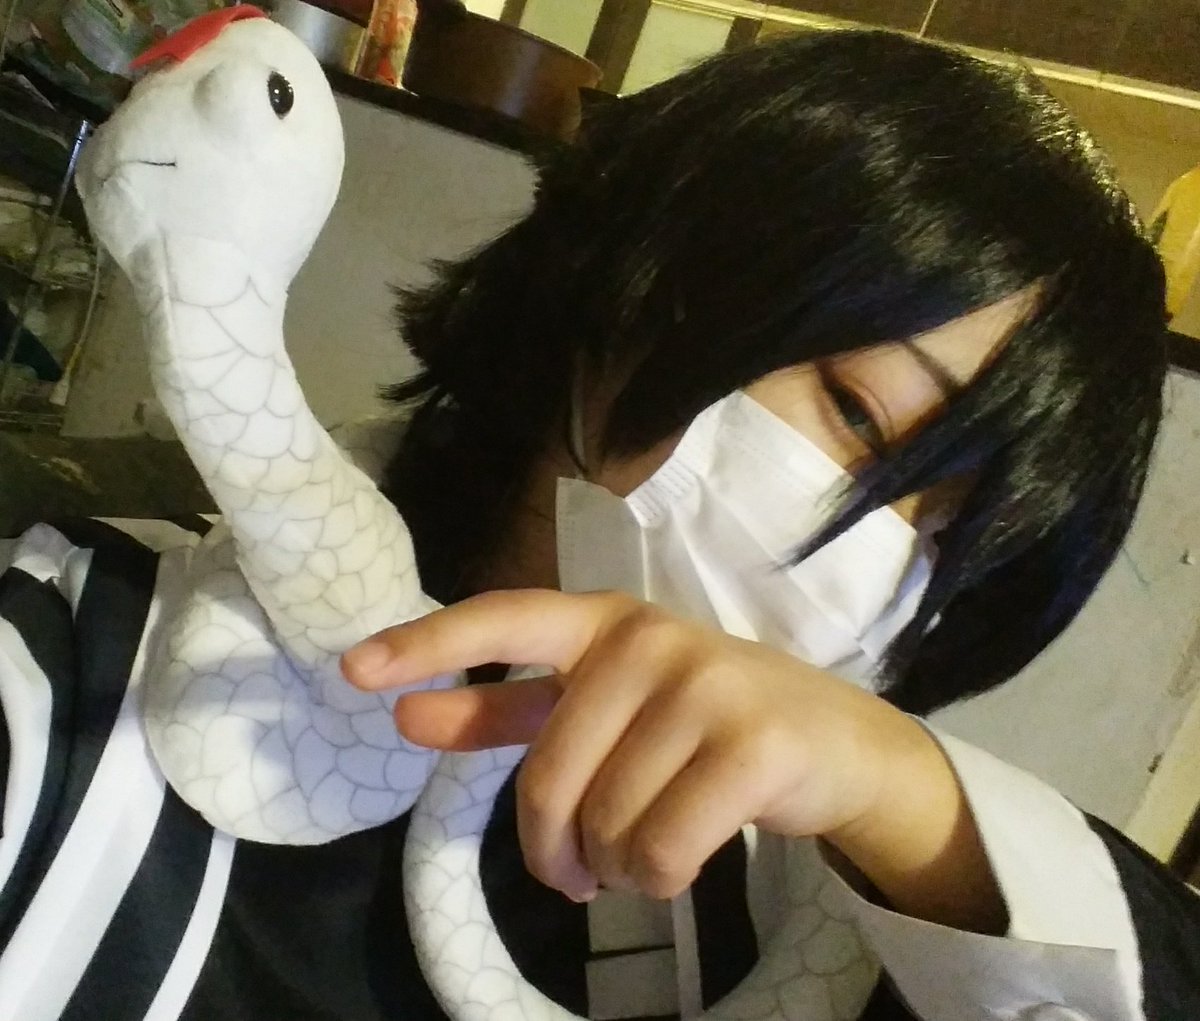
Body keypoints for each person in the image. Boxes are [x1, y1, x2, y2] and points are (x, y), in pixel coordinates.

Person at [0, 25, 1195, 1021]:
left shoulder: (839, 922)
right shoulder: (81, 663)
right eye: (855, 413)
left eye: (947, 550)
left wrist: (907, 799)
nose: (871, 562)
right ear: (641, 282)